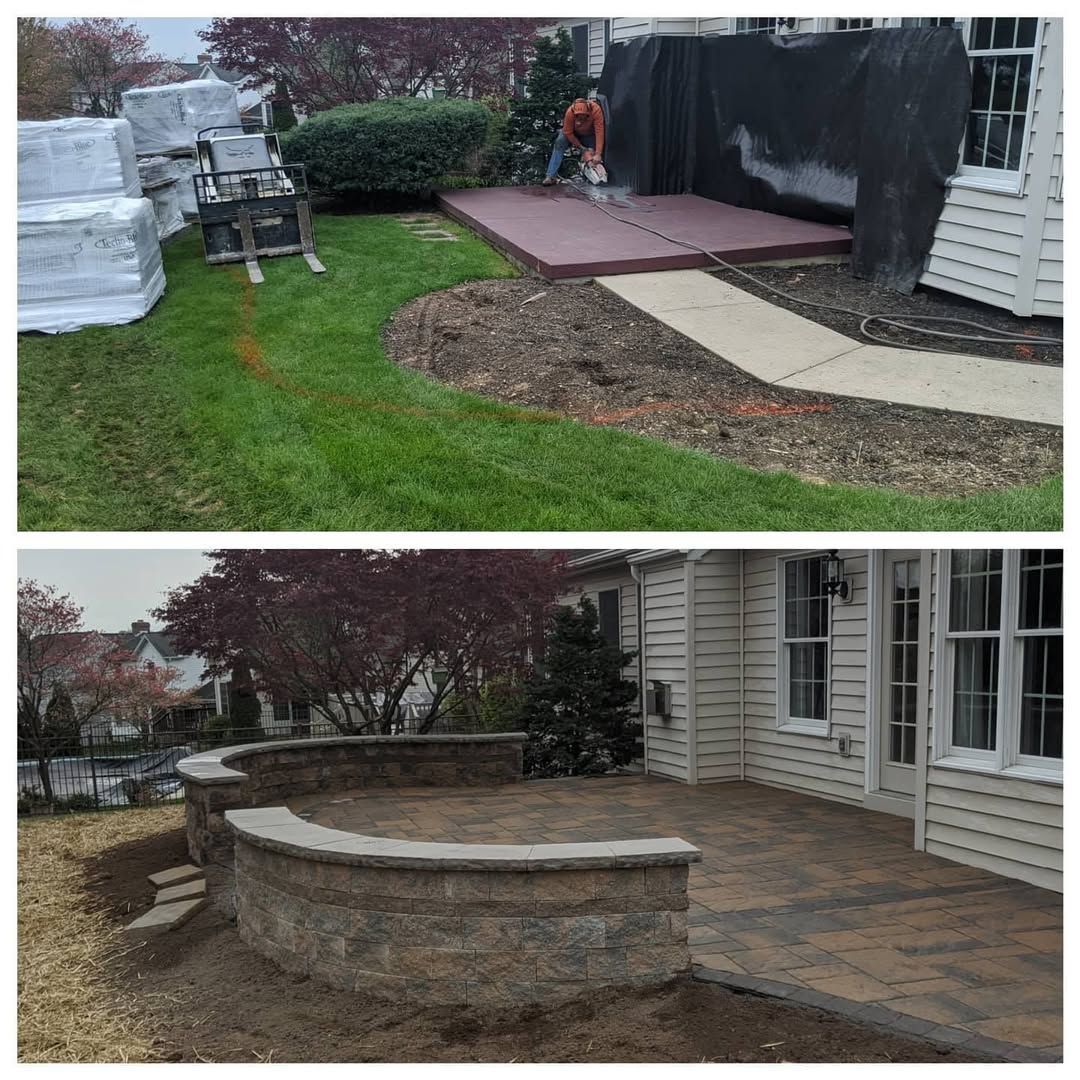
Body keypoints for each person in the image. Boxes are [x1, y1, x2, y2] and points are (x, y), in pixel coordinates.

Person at [542, 97, 605, 185]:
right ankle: (550, 176)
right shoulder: (570, 112)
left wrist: (598, 154)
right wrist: (580, 147)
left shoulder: (596, 110)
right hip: (572, 133)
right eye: (578, 117)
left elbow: (599, 131)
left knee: (591, 155)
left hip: (589, 134)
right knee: (559, 143)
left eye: (583, 117)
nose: (580, 120)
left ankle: (594, 176)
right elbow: (568, 133)